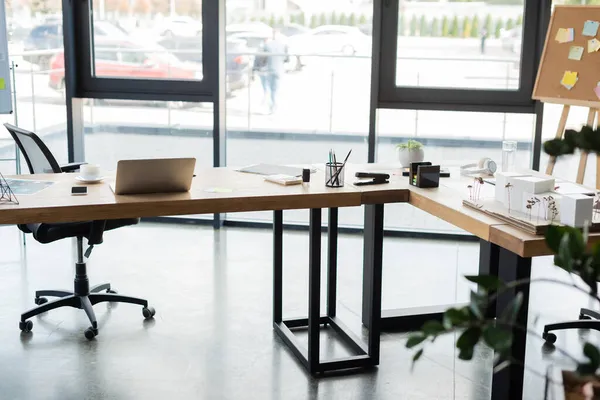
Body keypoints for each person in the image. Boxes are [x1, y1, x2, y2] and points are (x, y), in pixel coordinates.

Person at [261, 29, 288, 114]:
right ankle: (274, 106)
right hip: (279, 69)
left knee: (270, 89)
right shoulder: (283, 45)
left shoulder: (267, 45)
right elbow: (287, 59)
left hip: (269, 69)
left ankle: (272, 106)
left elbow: (263, 59)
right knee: (275, 89)